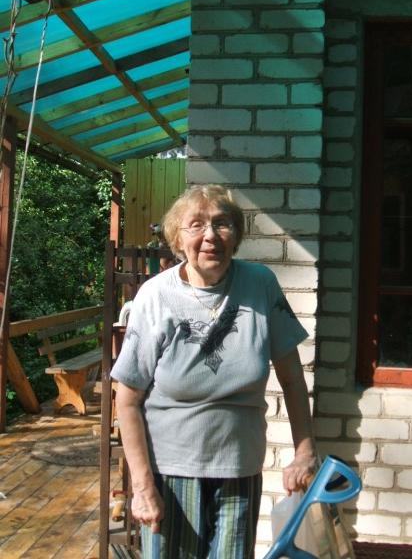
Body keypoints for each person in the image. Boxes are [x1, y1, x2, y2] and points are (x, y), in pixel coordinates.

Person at [111, 184, 317, 559]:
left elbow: (291, 378)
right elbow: (126, 400)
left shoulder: (260, 285)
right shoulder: (155, 296)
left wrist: (304, 451)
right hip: (170, 474)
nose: (210, 235)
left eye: (222, 224)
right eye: (196, 225)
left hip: (240, 470)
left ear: (236, 235)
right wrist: (141, 488)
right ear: (178, 238)